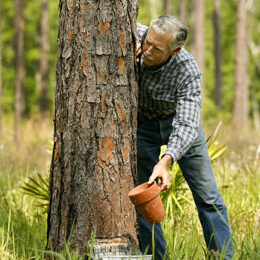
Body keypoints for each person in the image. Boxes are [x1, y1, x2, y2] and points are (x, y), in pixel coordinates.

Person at [136, 15, 233, 260]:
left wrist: (166, 161)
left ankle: (221, 256)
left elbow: (188, 123)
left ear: (175, 50)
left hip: (178, 124)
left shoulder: (188, 69)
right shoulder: (135, 33)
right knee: (143, 199)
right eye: (147, 42)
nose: (147, 50)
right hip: (142, 124)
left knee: (208, 197)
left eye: (156, 49)